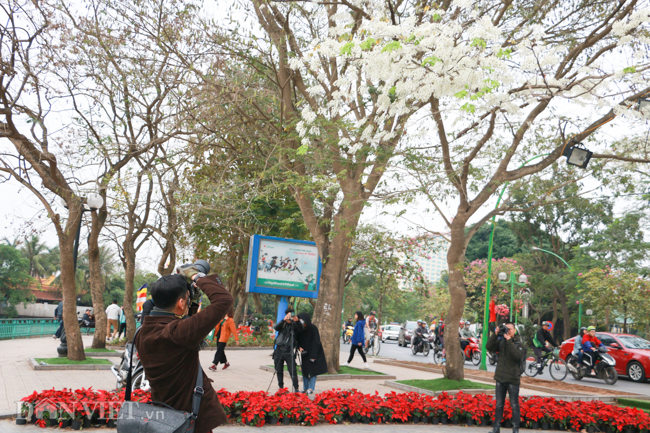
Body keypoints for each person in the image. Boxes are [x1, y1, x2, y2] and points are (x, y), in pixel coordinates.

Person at [135, 266, 233, 433]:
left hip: (165, 418)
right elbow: (224, 300)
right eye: (186, 299)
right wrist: (196, 276)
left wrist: (189, 299)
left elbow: (187, 324)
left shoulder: (142, 332)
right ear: (181, 303)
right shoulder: (178, 333)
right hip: (189, 421)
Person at [487, 322, 525, 433]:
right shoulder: (501, 341)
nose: (508, 331)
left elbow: (517, 356)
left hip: (513, 379)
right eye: (506, 329)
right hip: (500, 378)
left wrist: (509, 341)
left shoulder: (519, 344)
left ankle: (515, 429)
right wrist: (495, 334)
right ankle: (496, 428)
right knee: (499, 404)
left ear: (515, 330)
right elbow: (488, 347)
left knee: (514, 404)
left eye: (510, 329)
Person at [296, 312, 327, 395]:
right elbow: (297, 340)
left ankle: (311, 388)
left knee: (313, 371)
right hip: (304, 353)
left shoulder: (313, 328)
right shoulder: (300, 329)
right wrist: (299, 347)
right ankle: (305, 388)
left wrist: (314, 355)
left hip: (313, 352)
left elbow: (316, 342)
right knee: (305, 371)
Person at [273, 307, 302, 391]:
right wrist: (283, 320)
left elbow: (301, 329)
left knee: (292, 371)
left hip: (289, 351)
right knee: (279, 370)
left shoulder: (295, 325)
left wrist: (297, 321)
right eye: (288, 315)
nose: (290, 317)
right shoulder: (283, 324)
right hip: (279, 350)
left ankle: (296, 388)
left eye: (291, 315)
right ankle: (281, 388)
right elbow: (276, 328)